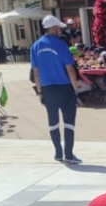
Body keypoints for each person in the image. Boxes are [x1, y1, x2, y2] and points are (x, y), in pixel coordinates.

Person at [30, 14, 82, 164]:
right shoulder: (61, 45)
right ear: (52, 28)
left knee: (52, 122)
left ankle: (58, 153)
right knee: (69, 122)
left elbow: (36, 72)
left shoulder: (35, 46)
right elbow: (70, 69)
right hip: (64, 87)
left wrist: (40, 92)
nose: (60, 30)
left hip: (47, 89)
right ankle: (69, 154)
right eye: (58, 27)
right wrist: (75, 88)